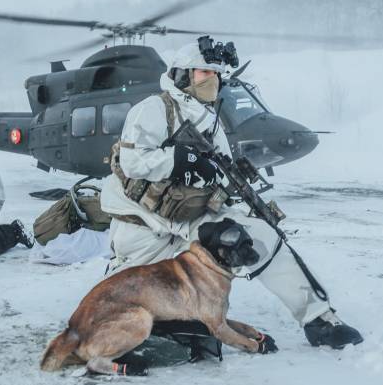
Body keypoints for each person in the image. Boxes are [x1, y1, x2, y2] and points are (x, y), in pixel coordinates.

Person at [99, 38, 364, 350]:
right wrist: (179, 160)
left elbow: (219, 172)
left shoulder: (210, 118)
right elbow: (132, 162)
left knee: (259, 237)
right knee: (125, 292)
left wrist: (236, 197)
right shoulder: (153, 110)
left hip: (191, 213)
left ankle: (319, 320)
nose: (213, 79)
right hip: (144, 217)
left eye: (216, 74)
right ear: (182, 75)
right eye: (204, 73)